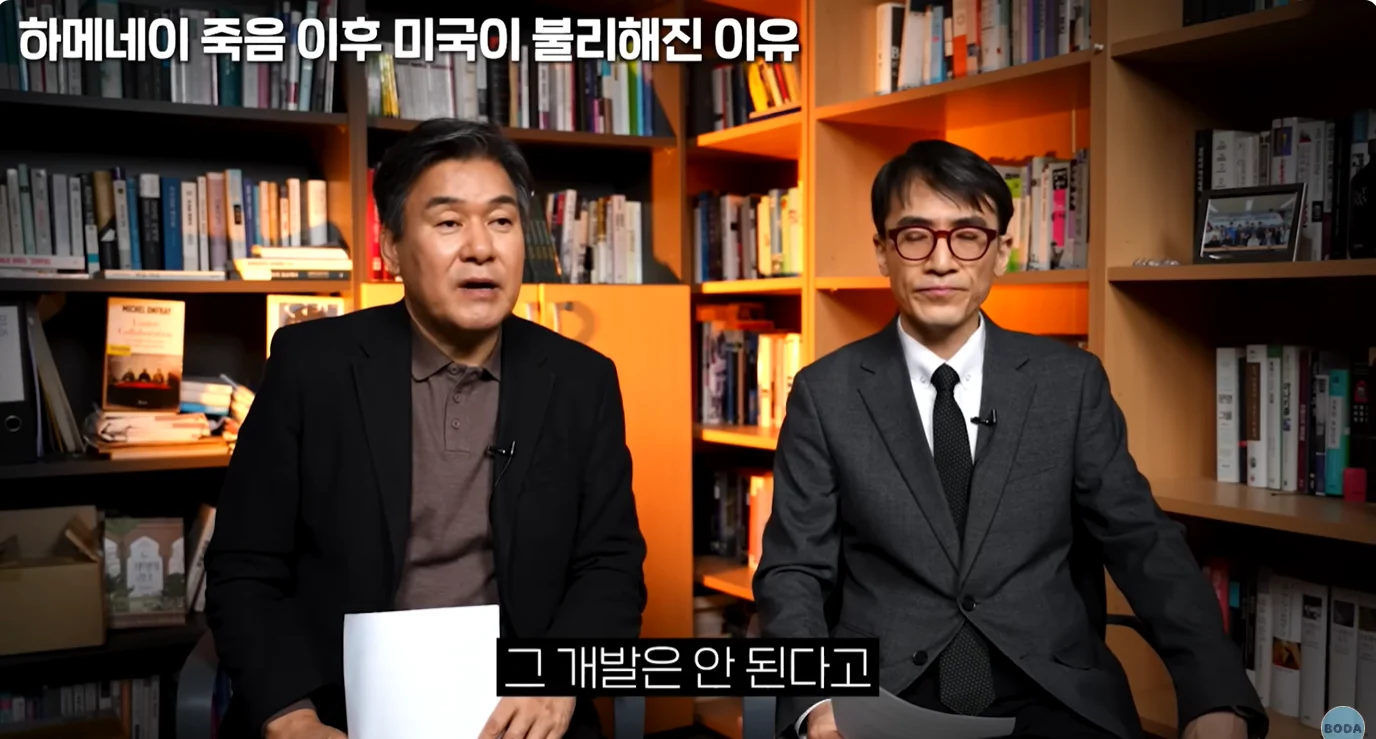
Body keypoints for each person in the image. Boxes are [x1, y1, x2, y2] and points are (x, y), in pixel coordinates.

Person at [752, 140, 1265, 739]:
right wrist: (817, 703)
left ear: (1001, 252)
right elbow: (794, 570)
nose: (941, 261)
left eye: (968, 237)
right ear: (882, 252)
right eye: (915, 236)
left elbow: (1142, 541)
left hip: (1051, 690)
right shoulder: (825, 393)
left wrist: (1215, 695)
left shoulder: (1069, 382)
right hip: (884, 691)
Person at [205, 118, 647, 739]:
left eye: (501, 221)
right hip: (339, 708)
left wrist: (557, 681)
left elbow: (610, 565)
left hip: (520, 706)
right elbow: (245, 566)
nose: (481, 248)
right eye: (448, 223)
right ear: (391, 247)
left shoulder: (581, 380)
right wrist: (289, 714)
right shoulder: (312, 366)